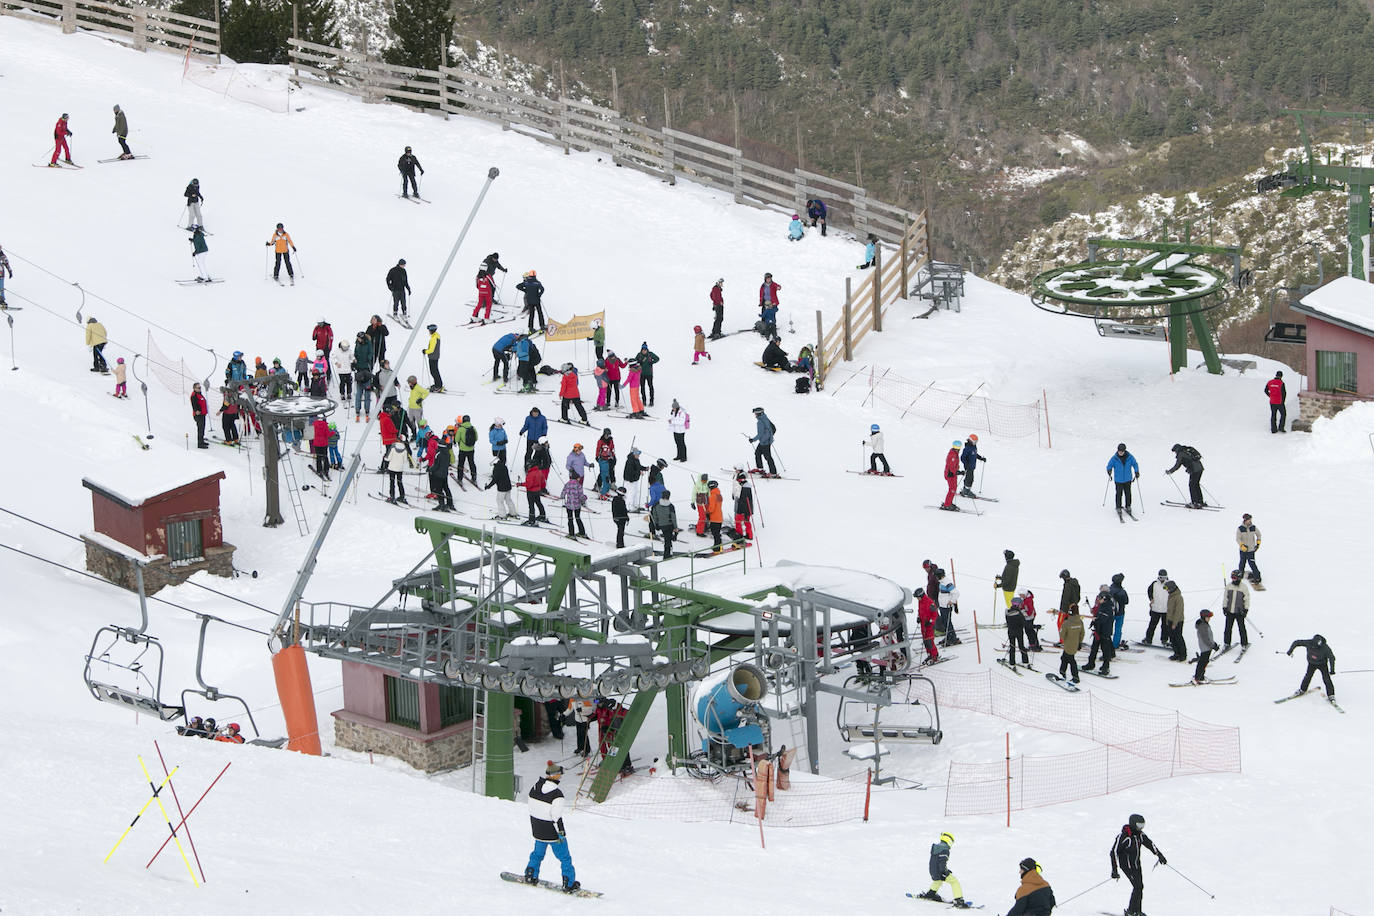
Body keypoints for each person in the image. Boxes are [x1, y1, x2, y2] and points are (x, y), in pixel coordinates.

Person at [524, 762, 580, 893]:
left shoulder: (535, 787)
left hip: (537, 828)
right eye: (559, 774)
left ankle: (530, 874)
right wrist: (561, 832)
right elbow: (556, 817)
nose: (560, 776)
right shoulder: (557, 795)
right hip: (552, 832)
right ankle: (568, 883)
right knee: (565, 858)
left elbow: (531, 805)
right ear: (554, 776)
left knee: (537, 854)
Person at [1110, 813, 1165, 916]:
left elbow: (1149, 844)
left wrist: (1159, 855)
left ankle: (1137, 911)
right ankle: (1131, 911)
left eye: (1142, 826)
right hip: (1127, 866)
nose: (1141, 828)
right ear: (1133, 824)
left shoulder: (1140, 835)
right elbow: (1113, 852)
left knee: (1140, 887)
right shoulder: (1124, 837)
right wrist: (1114, 870)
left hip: (1136, 865)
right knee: (1137, 886)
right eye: (1139, 825)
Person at [915, 832, 969, 908]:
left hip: (933, 871)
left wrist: (944, 870)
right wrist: (945, 872)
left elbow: (936, 862)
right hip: (940, 872)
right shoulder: (945, 849)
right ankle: (959, 901)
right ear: (949, 840)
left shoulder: (936, 848)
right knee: (954, 881)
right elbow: (942, 864)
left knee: (937, 881)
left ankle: (930, 894)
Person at [1286, 634, 1336, 700]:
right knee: (1308, 676)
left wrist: (1332, 670)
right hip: (1311, 663)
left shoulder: (1325, 648)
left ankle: (1331, 695)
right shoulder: (1309, 642)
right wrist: (1290, 650)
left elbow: (1332, 658)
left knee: (1326, 679)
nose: (1314, 648)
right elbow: (1296, 642)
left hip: (1322, 664)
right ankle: (1302, 690)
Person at [1083, 585, 1116, 675]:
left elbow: (1103, 619)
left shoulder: (1108, 607)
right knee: (1094, 648)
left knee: (1105, 650)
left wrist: (1096, 620)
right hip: (1098, 631)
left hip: (1105, 632)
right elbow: (1098, 615)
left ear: (1104, 599)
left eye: (1100, 598)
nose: (1098, 600)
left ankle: (1105, 667)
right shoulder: (1102, 605)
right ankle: (1091, 663)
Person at [1166, 443, 1206, 508]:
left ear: (1177, 449)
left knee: (1192, 485)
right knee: (1196, 485)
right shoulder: (1187, 450)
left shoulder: (1181, 454)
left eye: (1175, 451)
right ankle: (1200, 501)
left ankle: (1195, 503)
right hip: (1200, 469)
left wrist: (1170, 471)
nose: (1175, 453)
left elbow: (1177, 465)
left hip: (1194, 470)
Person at [1106, 442, 1140, 515]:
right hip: (1118, 480)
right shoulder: (1114, 458)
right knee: (1119, 494)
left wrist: (1136, 471)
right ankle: (1118, 507)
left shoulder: (1130, 457)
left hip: (1127, 479)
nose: (1120, 452)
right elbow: (1109, 465)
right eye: (1119, 451)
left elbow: (1135, 464)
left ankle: (1128, 506)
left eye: (1122, 451)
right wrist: (1109, 470)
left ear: (1124, 451)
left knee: (1128, 493)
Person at [1221, 570, 1250, 649]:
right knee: (1227, 628)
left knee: (1241, 628)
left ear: (1239, 578)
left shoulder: (1243, 587)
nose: (1233, 580)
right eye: (1232, 578)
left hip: (1239, 612)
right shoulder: (1228, 586)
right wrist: (1224, 607)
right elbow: (1225, 598)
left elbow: (1247, 599)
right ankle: (1227, 643)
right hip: (1230, 611)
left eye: (1235, 578)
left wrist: (1246, 609)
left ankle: (1244, 643)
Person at [514, 270, 546, 334]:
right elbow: (542, 289)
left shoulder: (526, 282)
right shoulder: (537, 283)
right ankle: (542, 326)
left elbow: (518, 286)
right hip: (536, 300)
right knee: (540, 313)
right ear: (535, 275)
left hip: (529, 301)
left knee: (531, 314)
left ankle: (530, 328)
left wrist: (525, 290)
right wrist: (539, 295)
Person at [1058, 604, 1083, 683]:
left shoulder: (1066, 623)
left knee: (1070, 660)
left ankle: (1075, 677)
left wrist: (1065, 640)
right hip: (1075, 644)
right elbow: (1082, 633)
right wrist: (1079, 642)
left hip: (1068, 644)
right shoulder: (1080, 621)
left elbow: (1062, 635)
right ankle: (1062, 672)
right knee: (1064, 658)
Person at [1191, 609, 1217, 684]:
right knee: (1203, 662)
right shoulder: (1203, 626)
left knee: (1204, 662)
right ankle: (1199, 677)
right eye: (1208, 617)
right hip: (1206, 647)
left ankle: (1200, 675)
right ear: (1203, 617)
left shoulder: (1204, 624)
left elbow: (1208, 637)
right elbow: (1205, 638)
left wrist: (1214, 644)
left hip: (1207, 647)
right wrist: (1212, 645)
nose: (1209, 619)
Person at [1144, 569, 1169, 645]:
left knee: (1165, 626)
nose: (1162, 579)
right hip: (1155, 609)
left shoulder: (1169, 584)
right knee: (1152, 625)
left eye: (1164, 577)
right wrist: (1151, 598)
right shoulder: (1154, 584)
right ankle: (1148, 639)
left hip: (1166, 610)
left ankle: (1164, 639)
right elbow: (1149, 591)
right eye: (1161, 577)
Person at [1164, 580, 1187, 661]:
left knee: (1178, 638)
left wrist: (1174, 623)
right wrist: (1168, 620)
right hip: (1170, 620)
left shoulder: (1178, 597)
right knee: (1172, 638)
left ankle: (1183, 654)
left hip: (1177, 621)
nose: (1166, 590)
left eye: (1167, 588)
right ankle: (1176, 653)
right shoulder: (1171, 596)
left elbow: (1178, 611)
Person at [1236, 513, 1262, 584]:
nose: (1250, 521)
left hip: (1251, 550)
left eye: (1250, 519)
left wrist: (1258, 544)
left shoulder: (1253, 527)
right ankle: (1240, 574)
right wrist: (1242, 545)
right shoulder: (1240, 528)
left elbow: (1259, 535)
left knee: (1252, 563)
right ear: (1245, 520)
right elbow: (1238, 538)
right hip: (1243, 550)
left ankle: (1257, 577)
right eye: (1248, 520)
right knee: (1242, 562)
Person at [522, 459, 549, 526]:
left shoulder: (531, 473)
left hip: (531, 491)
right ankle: (542, 515)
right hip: (537, 490)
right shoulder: (539, 471)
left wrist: (521, 484)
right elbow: (543, 482)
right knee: (538, 503)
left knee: (531, 506)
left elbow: (529, 484)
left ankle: (531, 520)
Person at [650, 491, 678, 557]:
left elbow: (654, 516)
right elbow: (673, 517)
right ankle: (667, 555)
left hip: (661, 525)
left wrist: (656, 524)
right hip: (669, 525)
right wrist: (675, 527)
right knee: (668, 540)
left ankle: (668, 552)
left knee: (667, 539)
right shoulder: (670, 506)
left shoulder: (656, 505)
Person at [561, 472, 589, 538]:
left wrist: (564, 497)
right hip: (577, 505)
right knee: (578, 518)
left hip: (569, 505)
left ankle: (571, 534)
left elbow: (562, 494)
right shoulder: (578, 485)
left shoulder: (567, 484)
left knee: (570, 519)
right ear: (577, 478)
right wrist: (585, 497)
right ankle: (582, 533)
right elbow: (581, 496)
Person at [936, 572, 960, 646]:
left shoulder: (947, 582)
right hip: (942, 606)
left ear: (940, 576)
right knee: (944, 622)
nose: (936, 578)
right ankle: (948, 636)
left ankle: (953, 638)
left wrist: (952, 601)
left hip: (946, 607)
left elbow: (956, 593)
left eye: (936, 576)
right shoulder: (941, 582)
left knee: (948, 623)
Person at [1005, 596, 1030, 668]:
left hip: (1011, 632)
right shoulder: (1019, 613)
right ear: (1018, 605)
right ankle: (1025, 662)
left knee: (1012, 647)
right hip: (1019, 632)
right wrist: (1034, 626)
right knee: (1021, 646)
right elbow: (1025, 624)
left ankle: (1012, 663)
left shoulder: (1007, 612)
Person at [915, 587, 938, 663]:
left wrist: (930, 621)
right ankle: (929, 654)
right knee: (925, 641)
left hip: (929, 625)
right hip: (923, 624)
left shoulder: (930, 602)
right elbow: (920, 611)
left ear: (921, 595)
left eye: (918, 597)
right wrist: (918, 617)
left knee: (929, 641)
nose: (917, 599)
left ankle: (935, 655)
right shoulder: (920, 602)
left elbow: (935, 614)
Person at [384, 438, 411, 504]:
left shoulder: (393, 447)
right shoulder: (404, 449)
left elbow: (388, 458)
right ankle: (402, 496)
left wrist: (385, 458)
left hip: (392, 468)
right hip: (400, 469)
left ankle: (392, 497)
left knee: (392, 482)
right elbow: (405, 460)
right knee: (399, 482)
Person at [731, 469, 754, 542]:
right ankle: (749, 535)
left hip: (743, 509)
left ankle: (739, 535)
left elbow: (743, 500)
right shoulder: (746, 485)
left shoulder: (745, 487)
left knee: (738, 520)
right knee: (747, 521)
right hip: (748, 509)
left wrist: (741, 511)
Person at [455, 415, 478, 485]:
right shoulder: (473, 428)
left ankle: (460, 479)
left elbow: (456, 439)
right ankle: (474, 477)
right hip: (471, 449)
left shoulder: (461, 429)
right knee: (471, 463)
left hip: (462, 450)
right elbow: (476, 438)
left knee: (461, 464)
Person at [1057, 569, 1080, 638]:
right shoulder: (1075, 583)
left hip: (1066, 609)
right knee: (1073, 625)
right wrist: (1075, 603)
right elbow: (1078, 596)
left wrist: (1063, 609)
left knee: (1061, 624)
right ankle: (1073, 639)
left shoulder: (1068, 585)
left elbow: (1065, 598)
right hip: (1075, 608)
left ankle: (1063, 640)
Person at [1109, 572, 1129, 648]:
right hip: (1120, 613)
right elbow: (1126, 601)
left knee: (1107, 629)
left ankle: (1105, 642)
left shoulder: (1109, 590)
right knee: (1118, 629)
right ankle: (1115, 644)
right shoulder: (1122, 591)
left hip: (1110, 612)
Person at [940, 440, 961, 511]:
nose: (959, 448)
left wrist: (958, 470)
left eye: (959, 446)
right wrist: (958, 472)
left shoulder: (954, 453)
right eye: (958, 446)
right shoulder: (953, 455)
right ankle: (947, 505)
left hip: (952, 475)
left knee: (953, 489)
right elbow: (951, 467)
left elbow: (954, 465)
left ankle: (949, 502)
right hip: (950, 475)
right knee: (952, 489)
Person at [594, 428, 615, 497]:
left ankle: (606, 491)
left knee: (607, 476)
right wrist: (597, 456)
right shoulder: (601, 441)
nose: (607, 436)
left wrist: (612, 457)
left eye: (608, 435)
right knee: (604, 475)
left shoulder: (611, 440)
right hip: (602, 459)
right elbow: (598, 449)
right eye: (606, 435)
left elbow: (612, 449)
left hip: (608, 459)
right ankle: (602, 492)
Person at [423, 323, 443, 392]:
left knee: (433, 372)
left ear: (431, 330)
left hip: (433, 357)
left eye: (429, 330)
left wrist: (425, 351)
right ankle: (438, 384)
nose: (428, 331)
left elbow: (431, 350)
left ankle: (438, 386)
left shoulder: (433, 338)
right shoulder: (436, 336)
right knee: (435, 371)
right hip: (435, 356)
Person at [190, 382, 209, 448]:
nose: (199, 389)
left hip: (202, 414)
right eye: (198, 388)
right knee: (200, 429)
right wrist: (196, 411)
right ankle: (200, 444)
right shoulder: (194, 395)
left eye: (200, 387)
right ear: (194, 388)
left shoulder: (199, 394)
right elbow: (194, 404)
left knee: (202, 428)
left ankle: (202, 440)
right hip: (198, 415)